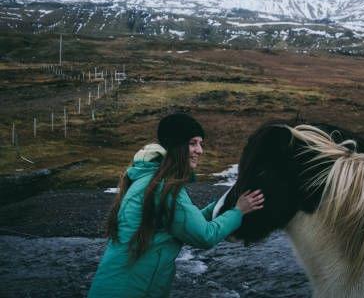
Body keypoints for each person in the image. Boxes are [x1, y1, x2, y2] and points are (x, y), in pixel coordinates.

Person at [88, 113, 263, 297]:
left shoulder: (152, 181)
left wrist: (218, 206)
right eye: (193, 143)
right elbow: (205, 236)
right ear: (176, 147)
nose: (200, 150)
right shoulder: (164, 189)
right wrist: (238, 211)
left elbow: (183, 223)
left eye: (200, 144)